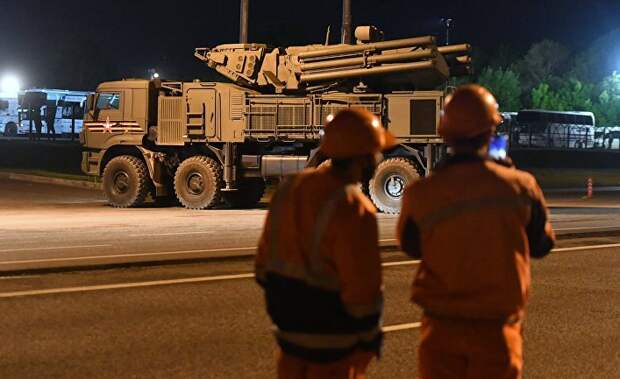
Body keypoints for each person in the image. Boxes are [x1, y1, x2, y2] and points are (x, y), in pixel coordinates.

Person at [397, 84, 555, 379]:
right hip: (495, 330)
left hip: (440, 331)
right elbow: (542, 243)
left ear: (445, 133)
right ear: (490, 132)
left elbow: (410, 245)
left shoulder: (422, 192)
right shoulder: (520, 186)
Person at [255, 108, 396, 379]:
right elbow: (362, 289)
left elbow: (263, 265)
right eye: (375, 153)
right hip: (334, 346)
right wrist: (370, 338)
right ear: (363, 157)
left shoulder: (290, 189)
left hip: (289, 339)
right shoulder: (353, 207)